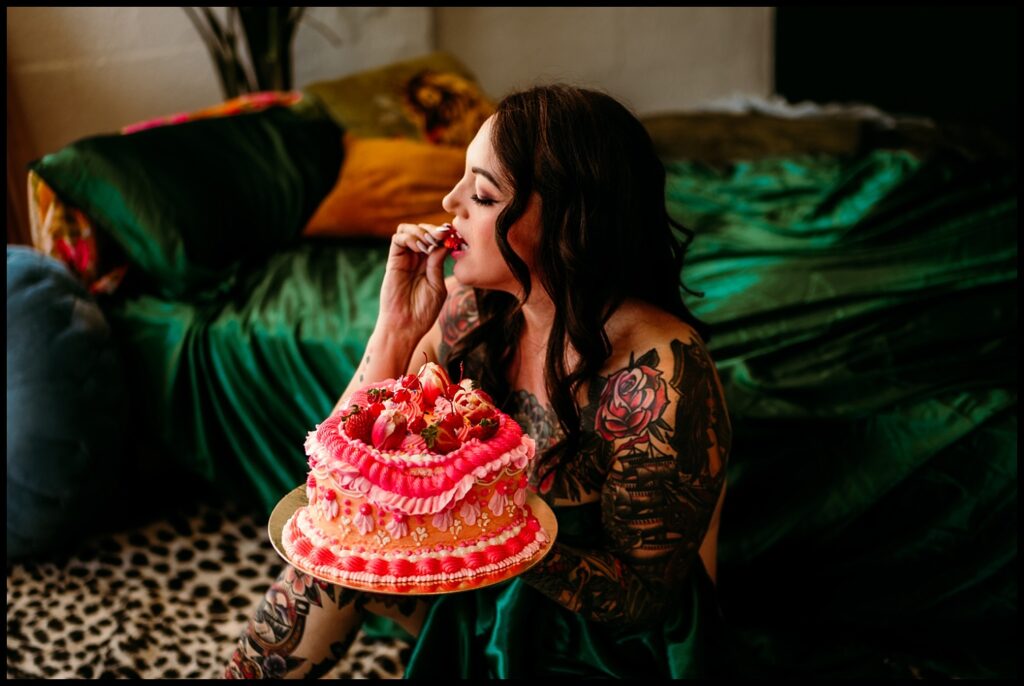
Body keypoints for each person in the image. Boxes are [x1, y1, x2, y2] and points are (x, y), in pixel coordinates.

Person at [226, 83, 732, 679]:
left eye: (482, 194)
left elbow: (641, 601)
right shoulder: (475, 310)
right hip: (485, 589)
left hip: (597, 645)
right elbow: (342, 479)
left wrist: (489, 530)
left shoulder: (660, 376)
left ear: (569, 221)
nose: (449, 202)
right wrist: (394, 331)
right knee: (327, 553)